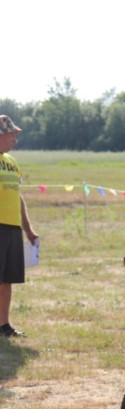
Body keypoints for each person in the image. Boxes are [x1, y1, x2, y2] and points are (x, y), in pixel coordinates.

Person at [0, 115, 38, 338]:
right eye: (12, 135)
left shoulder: (12, 163)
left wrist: (28, 228)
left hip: (12, 227)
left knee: (7, 279)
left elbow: (17, 196)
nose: (15, 140)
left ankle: (4, 325)